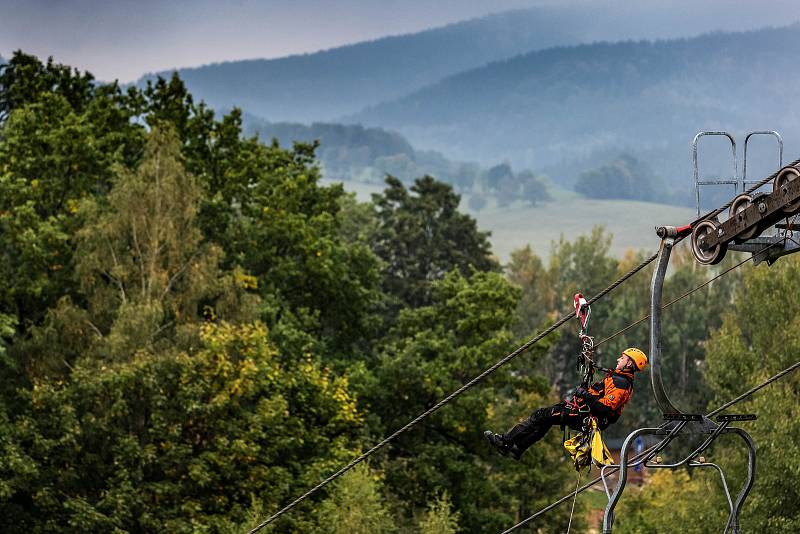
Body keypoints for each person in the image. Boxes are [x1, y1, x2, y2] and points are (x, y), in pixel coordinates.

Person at [484, 347, 647, 460]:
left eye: (623, 358)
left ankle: (506, 442)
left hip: (585, 416)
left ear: (630, 364)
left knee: (540, 415)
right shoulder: (617, 378)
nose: (619, 359)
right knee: (545, 420)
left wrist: (584, 395)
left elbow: (605, 407)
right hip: (583, 412)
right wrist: (585, 390)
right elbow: (599, 396)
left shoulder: (621, 383)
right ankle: (517, 448)